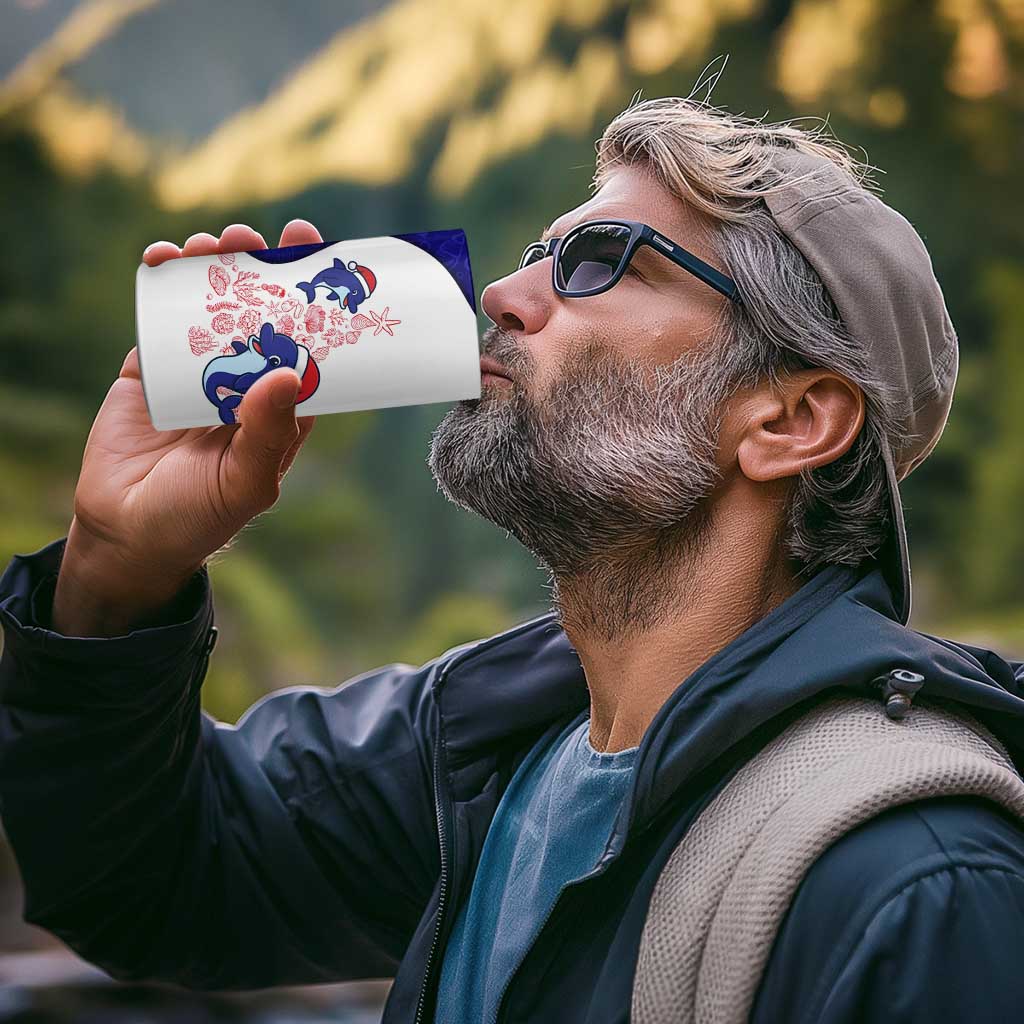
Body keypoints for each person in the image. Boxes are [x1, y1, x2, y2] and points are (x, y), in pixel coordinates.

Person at [2, 93, 1024, 1024]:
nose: (503, 290)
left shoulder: (917, 884)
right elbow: (148, 880)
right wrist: (115, 571)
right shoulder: (480, 750)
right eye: (540, 252)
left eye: (600, 261)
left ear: (791, 419)